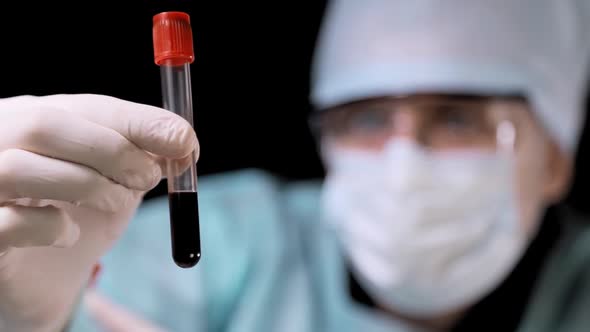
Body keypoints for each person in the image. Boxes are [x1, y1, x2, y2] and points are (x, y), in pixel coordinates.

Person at [0, 0, 589, 331]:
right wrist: (38, 323)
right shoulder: (236, 245)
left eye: (458, 119)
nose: (403, 159)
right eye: (365, 119)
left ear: (556, 158)